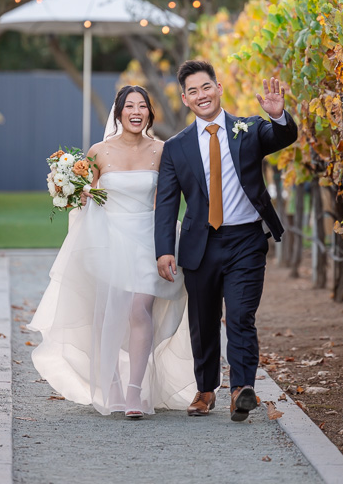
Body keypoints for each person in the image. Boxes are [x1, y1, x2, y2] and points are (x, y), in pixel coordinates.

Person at [29, 85, 196, 419]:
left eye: (142, 106)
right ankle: (113, 386)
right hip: (108, 238)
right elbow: (83, 194)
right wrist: (78, 192)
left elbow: (167, 198)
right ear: (119, 113)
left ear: (149, 113)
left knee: (139, 308)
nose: (136, 112)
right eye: (129, 106)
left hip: (148, 237)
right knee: (109, 314)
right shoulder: (99, 152)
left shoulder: (162, 150)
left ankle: (135, 390)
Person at [155, 60, 298, 422]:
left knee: (240, 316)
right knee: (203, 321)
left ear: (218, 88)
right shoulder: (176, 147)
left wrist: (277, 116)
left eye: (206, 87)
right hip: (200, 245)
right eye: (192, 91)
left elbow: (283, 137)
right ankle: (205, 390)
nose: (201, 95)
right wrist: (164, 250)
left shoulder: (248, 129)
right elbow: (167, 203)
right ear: (185, 99)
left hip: (245, 241)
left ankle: (241, 390)